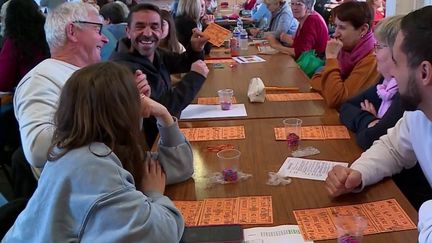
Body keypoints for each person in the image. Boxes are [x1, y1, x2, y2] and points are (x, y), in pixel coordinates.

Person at [2, 62, 185, 242]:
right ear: (121, 110)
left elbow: (178, 168)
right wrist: (154, 194)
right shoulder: (93, 164)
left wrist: (164, 115)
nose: (144, 103)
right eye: (137, 97)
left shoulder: (87, 147)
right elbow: (161, 234)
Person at [325, 6, 432, 242]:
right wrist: (358, 173)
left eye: (397, 61)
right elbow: (392, 149)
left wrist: (427, 209)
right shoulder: (418, 114)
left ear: (424, 72)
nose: (391, 71)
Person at [110, 3, 209, 146]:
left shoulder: (152, 53)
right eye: (140, 26)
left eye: (154, 27)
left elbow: (182, 62)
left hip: (166, 134)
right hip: (150, 148)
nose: (148, 33)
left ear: (162, 30)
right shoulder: (124, 70)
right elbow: (164, 110)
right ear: (128, 31)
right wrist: (195, 77)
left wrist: (195, 48)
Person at [339, 15, 402, 150]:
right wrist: (370, 121)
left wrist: (373, 126)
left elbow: (370, 139)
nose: (374, 53)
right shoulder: (385, 82)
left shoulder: (405, 91)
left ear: (396, 52)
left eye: (378, 46)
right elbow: (346, 107)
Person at [310, 1, 379, 108]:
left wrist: (331, 58)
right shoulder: (345, 50)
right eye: (335, 26)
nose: (335, 33)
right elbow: (315, 80)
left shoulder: (371, 58)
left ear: (363, 30)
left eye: (342, 27)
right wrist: (332, 88)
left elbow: (336, 98)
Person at [0, 0, 50, 92]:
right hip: (50, 89)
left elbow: (3, 83)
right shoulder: (49, 34)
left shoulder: (14, 41)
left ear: (9, 17)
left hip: (25, 94)